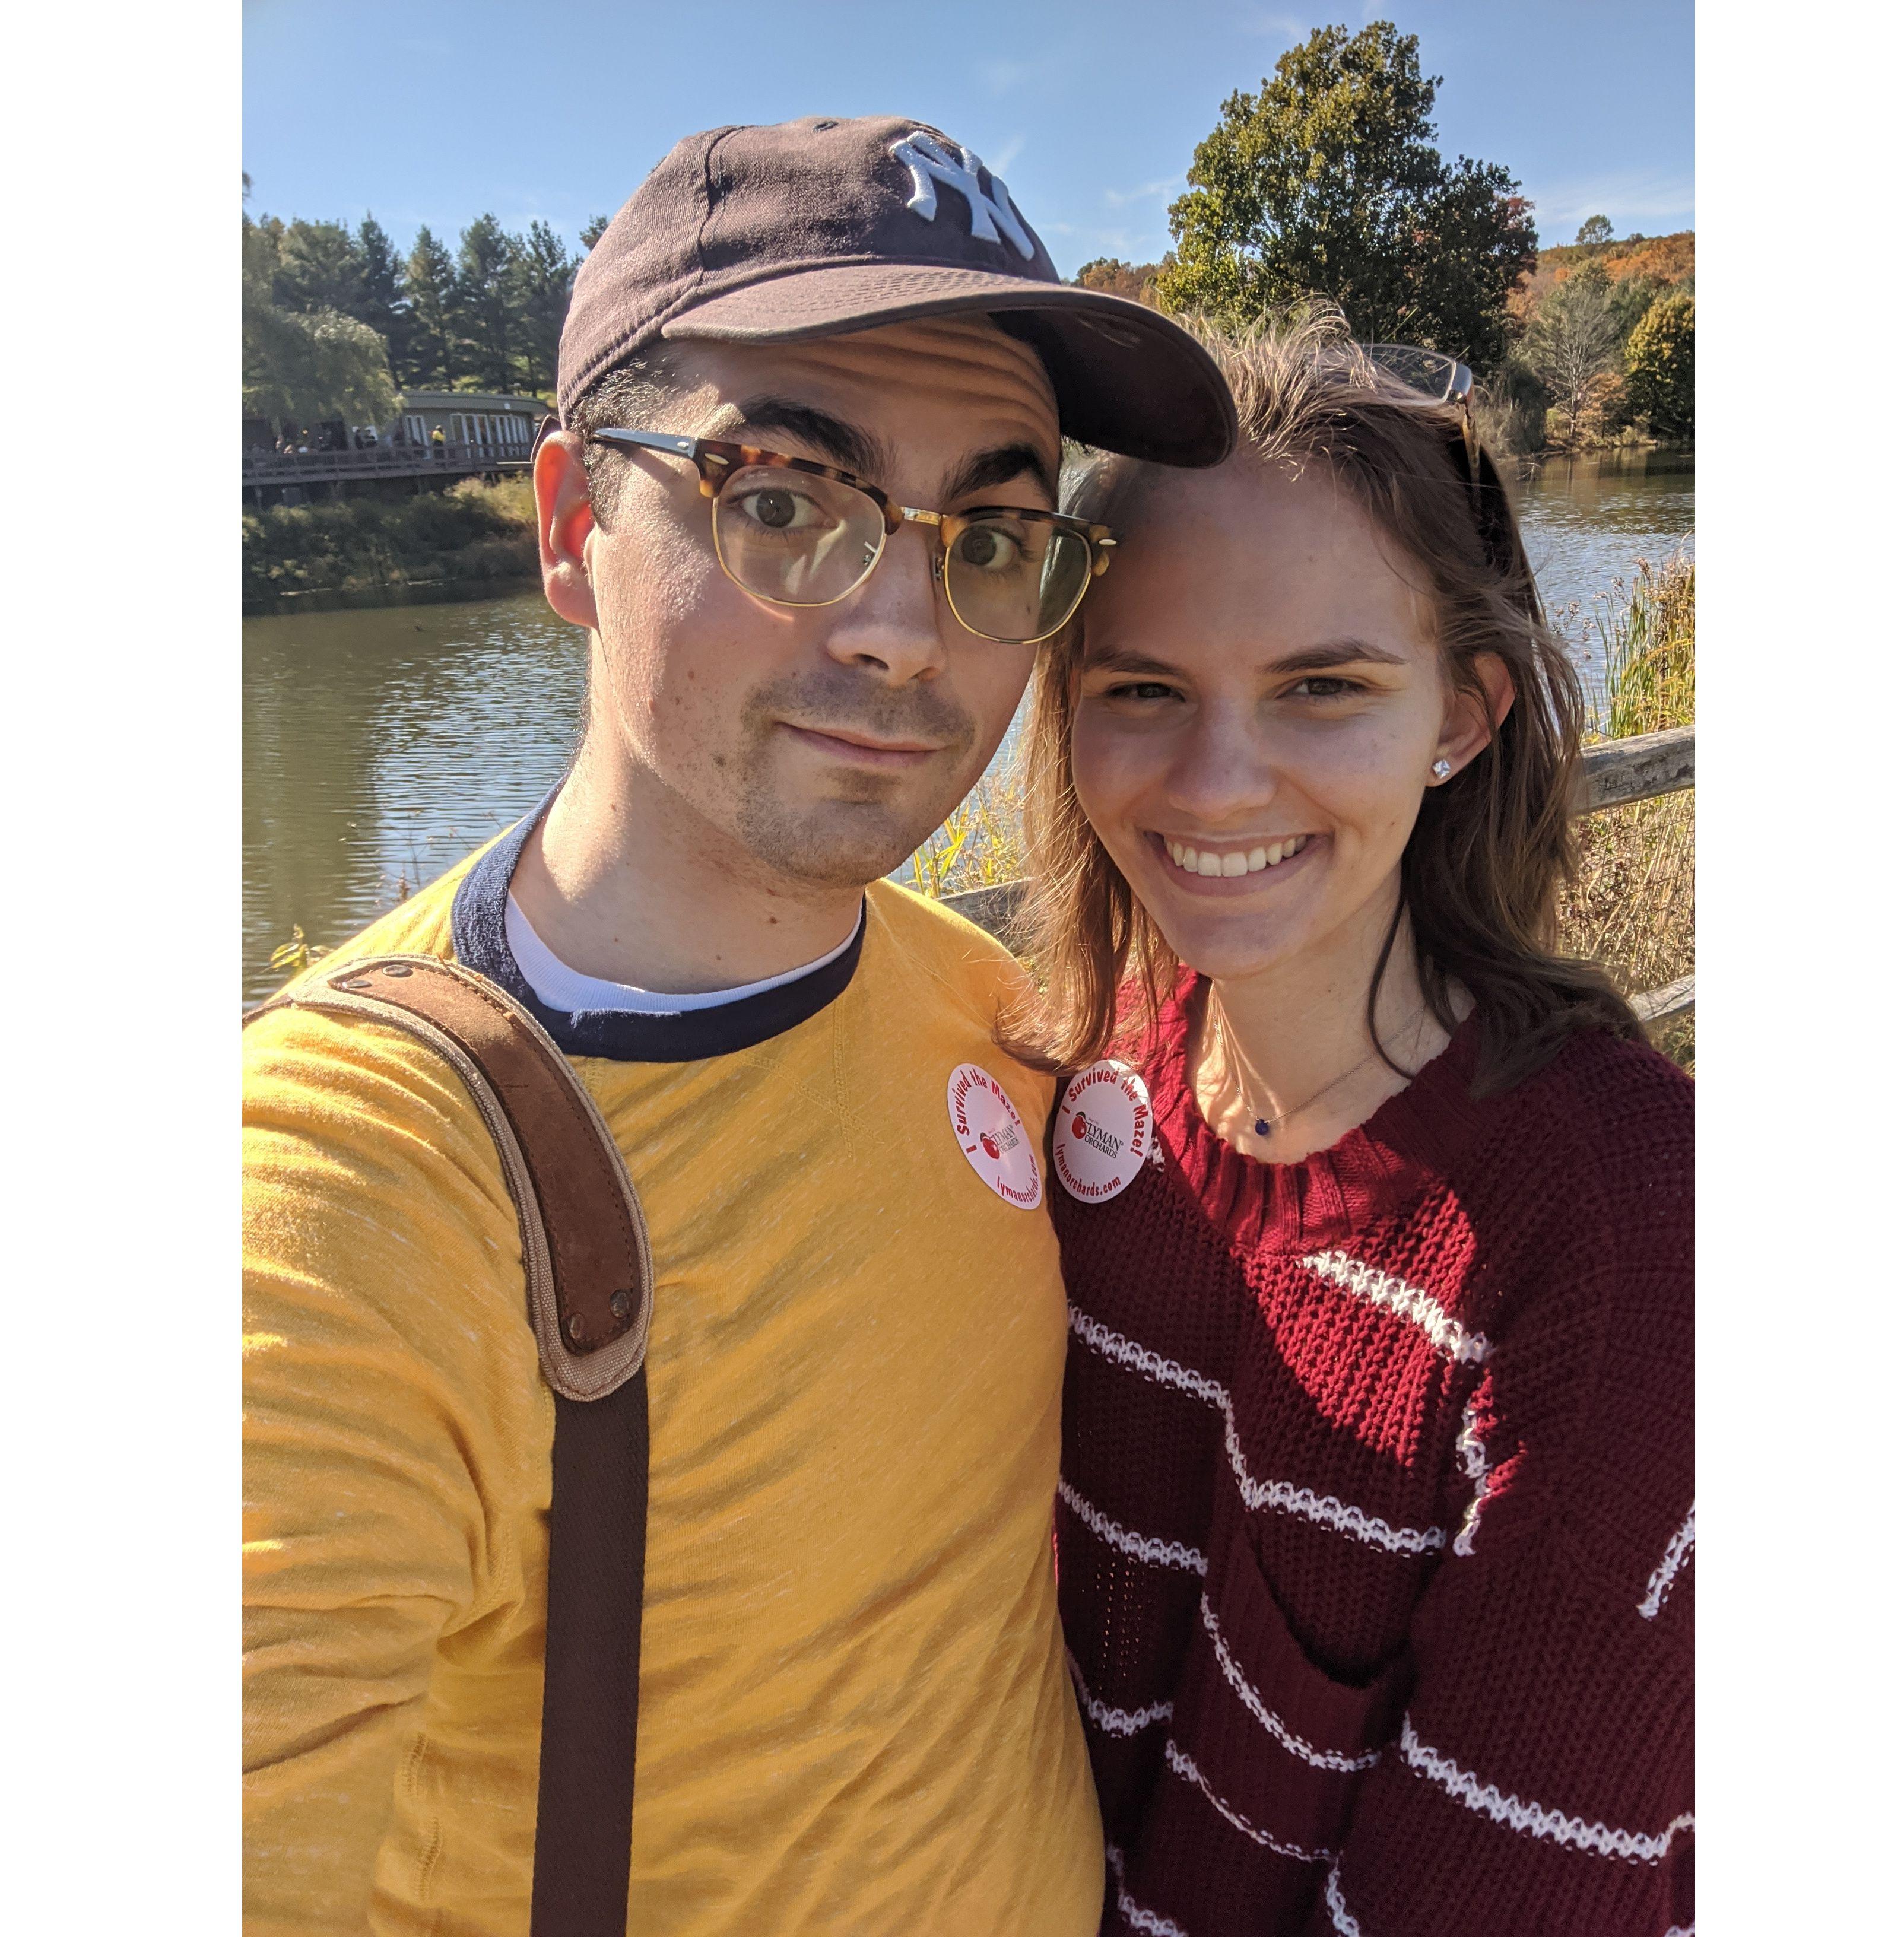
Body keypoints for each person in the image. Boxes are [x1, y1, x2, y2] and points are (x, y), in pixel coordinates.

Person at [242, 116, 1235, 1936]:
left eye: (995, 533)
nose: (905, 629)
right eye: (780, 496)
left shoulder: (979, 1002)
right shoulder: (347, 1184)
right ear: (569, 529)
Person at [1019, 317, 1694, 1936]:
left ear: (1461, 715)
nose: (1220, 781)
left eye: (1322, 687)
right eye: (1143, 688)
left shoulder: (1624, 1238)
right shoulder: (1093, 1086)